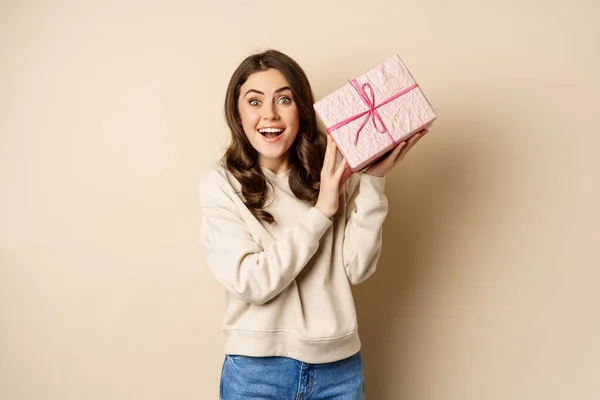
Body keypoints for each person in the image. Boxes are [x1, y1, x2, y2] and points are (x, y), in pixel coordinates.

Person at [198, 49, 427, 400]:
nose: (269, 114)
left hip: (339, 370)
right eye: (254, 101)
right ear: (237, 112)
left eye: (284, 99)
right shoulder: (221, 183)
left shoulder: (333, 172)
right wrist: (321, 213)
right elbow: (252, 282)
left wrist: (373, 181)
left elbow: (358, 268)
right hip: (256, 373)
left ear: (301, 109)